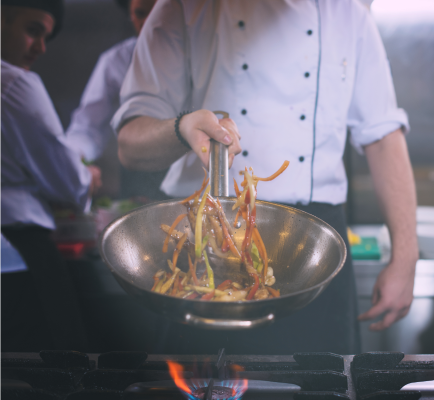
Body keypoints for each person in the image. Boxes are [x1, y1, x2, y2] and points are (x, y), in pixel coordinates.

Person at [112, 0, 418, 355]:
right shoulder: (182, 6)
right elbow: (130, 144)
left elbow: (383, 138)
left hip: (314, 251)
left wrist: (406, 258)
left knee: (323, 388)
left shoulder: (347, 12)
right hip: (202, 241)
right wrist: (181, 129)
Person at [1, 0, 102, 351]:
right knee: (50, 367)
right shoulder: (14, 83)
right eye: (32, 31)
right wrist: (86, 177)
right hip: (18, 249)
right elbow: (65, 180)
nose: (40, 48)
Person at [66, 0, 162, 200]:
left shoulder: (200, 57)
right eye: (141, 13)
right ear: (130, 14)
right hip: (138, 179)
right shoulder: (115, 62)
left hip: (193, 175)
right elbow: (88, 128)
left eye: (158, 12)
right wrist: (73, 161)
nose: (149, 22)